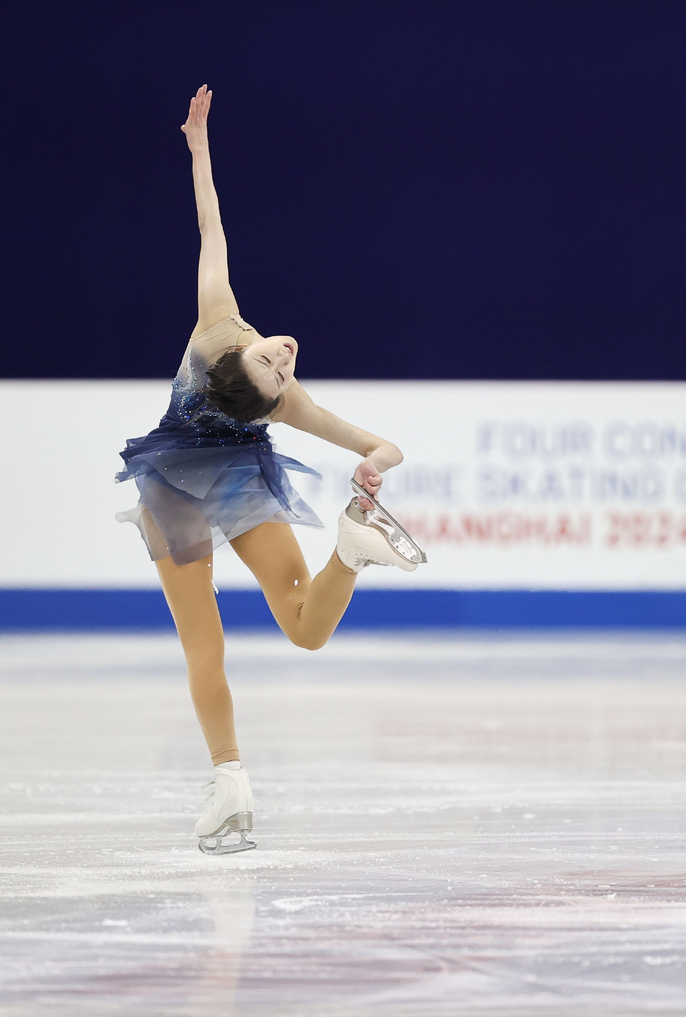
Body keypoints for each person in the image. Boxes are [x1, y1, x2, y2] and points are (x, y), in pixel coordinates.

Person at [115, 85, 425, 855]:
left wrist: (197, 147)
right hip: (175, 485)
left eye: (277, 364)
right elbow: (368, 438)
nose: (284, 359)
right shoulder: (268, 392)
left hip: (217, 472)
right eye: (278, 370)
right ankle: (230, 780)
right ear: (263, 401)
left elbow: (209, 224)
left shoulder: (221, 325)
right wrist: (372, 459)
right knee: (212, 640)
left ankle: (229, 781)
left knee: (300, 629)